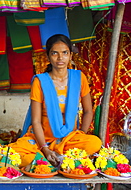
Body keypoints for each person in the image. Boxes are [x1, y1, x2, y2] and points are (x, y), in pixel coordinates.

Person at [8, 34, 102, 168]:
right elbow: (35, 121)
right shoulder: (40, 81)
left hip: (68, 139)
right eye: (55, 53)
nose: (60, 58)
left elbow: (88, 111)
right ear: (48, 57)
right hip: (41, 139)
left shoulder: (79, 78)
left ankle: (44, 162)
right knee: (11, 155)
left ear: (70, 55)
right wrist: (45, 148)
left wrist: (81, 133)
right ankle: (56, 159)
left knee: (94, 143)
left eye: (64, 53)